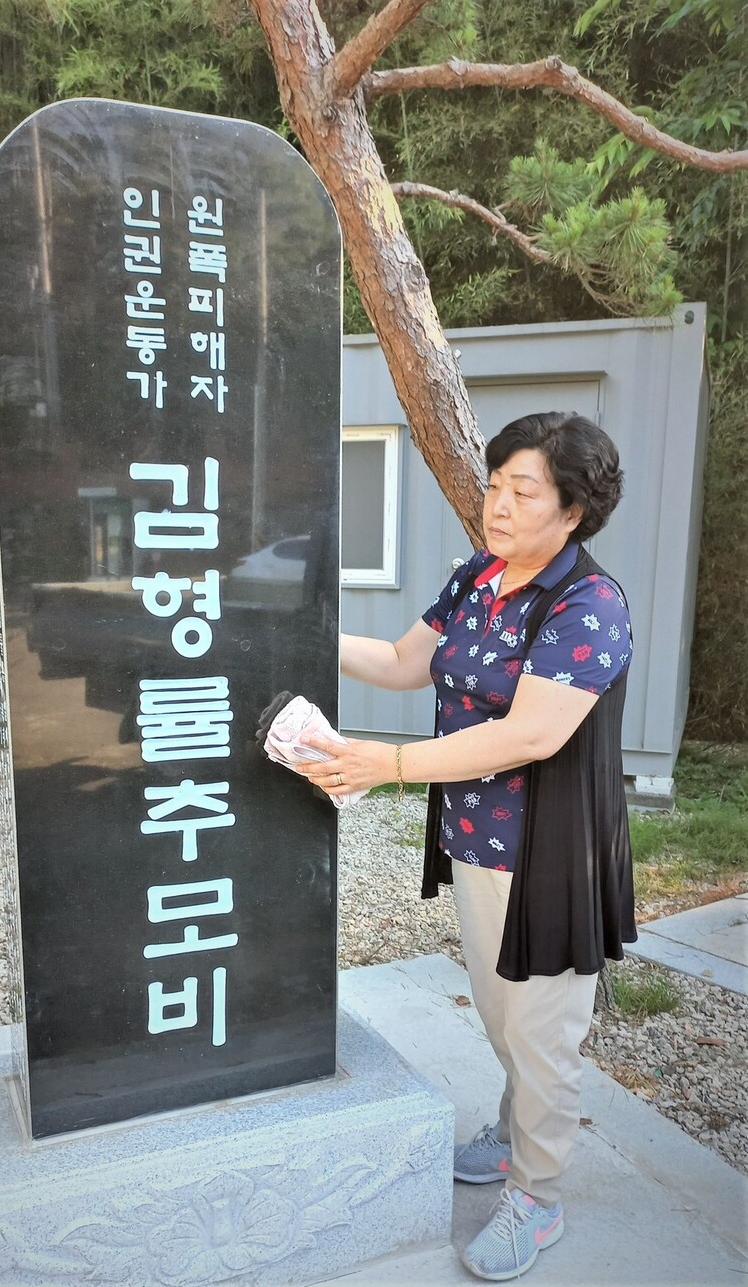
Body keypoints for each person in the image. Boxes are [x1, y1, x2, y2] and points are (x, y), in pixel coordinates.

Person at [301, 411, 636, 1282]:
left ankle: (539, 1191)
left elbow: (529, 735)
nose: (498, 504)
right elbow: (407, 662)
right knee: (500, 1014)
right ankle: (517, 1120)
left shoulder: (588, 606)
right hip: (478, 843)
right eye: (494, 485)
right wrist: (303, 636)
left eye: (523, 491)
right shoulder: (475, 576)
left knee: (542, 1033)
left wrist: (393, 761)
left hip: (550, 857)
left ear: (572, 512)